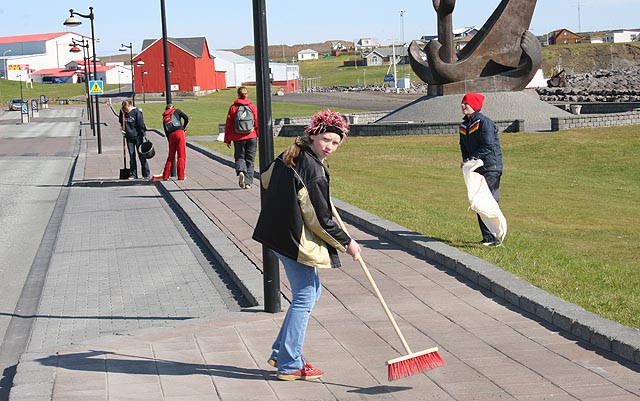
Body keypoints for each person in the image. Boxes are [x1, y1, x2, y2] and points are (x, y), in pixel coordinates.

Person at [252, 109, 362, 381]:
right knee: (304, 296)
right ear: (313, 135)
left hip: (277, 233)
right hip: (289, 238)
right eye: (326, 140)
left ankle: (281, 351)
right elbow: (320, 220)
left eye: (336, 143)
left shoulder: (291, 155)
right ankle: (289, 364)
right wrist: (348, 243)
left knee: (312, 292)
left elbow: (265, 179)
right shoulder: (312, 168)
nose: (330, 147)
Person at [459, 92, 504, 246]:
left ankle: (495, 237)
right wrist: (466, 161)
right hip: (477, 168)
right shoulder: (465, 125)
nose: (463, 105)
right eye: (463, 103)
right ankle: (488, 238)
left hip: (490, 166)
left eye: (467, 103)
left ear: (475, 106)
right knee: (478, 201)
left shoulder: (484, 123)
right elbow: (464, 147)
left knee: (487, 201)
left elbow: (488, 146)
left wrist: (471, 159)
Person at [224, 86, 258, 189]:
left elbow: (229, 124)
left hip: (238, 137)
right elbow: (257, 122)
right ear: (247, 95)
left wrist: (227, 139)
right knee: (250, 159)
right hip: (251, 136)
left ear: (238, 95)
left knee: (239, 156)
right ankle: (248, 183)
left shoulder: (233, 108)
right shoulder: (252, 107)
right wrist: (257, 134)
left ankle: (241, 171)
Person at [154, 103, 189, 181]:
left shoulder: (164, 117)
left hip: (171, 135)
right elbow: (186, 118)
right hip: (179, 133)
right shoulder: (177, 111)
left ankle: (165, 176)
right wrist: (183, 127)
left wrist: (169, 140)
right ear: (173, 107)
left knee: (171, 156)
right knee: (181, 155)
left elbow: (166, 130)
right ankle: (181, 176)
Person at [119, 99, 149, 179]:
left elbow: (140, 123)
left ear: (130, 106)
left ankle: (146, 174)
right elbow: (121, 122)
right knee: (132, 156)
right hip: (128, 137)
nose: (126, 110)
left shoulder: (136, 112)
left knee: (141, 155)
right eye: (124, 109)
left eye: (126, 108)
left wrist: (143, 131)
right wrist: (122, 129)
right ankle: (133, 174)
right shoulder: (122, 112)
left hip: (138, 136)